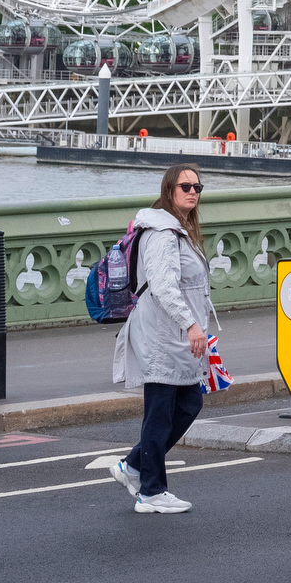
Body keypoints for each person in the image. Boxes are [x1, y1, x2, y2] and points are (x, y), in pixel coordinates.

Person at [99, 166, 220, 515]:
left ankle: (134, 467)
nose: (193, 191)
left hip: (177, 336)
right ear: (170, 190)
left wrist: (196, 328)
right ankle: (151, 491)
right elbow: (164, 287)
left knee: (188, 405)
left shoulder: (178, 230)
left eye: (198, 186)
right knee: (160, 413)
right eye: (185, 186)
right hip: (161, 335)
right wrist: (193, 326)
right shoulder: (162, 234)